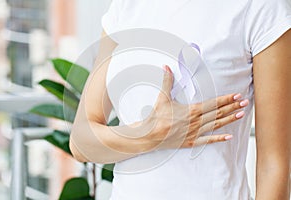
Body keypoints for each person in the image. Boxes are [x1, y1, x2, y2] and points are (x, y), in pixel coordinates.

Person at [69, 0, 291, 199]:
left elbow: (274, 166)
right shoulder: (125, 6)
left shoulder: (262, 8)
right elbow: (81, 141)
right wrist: (152, 134)